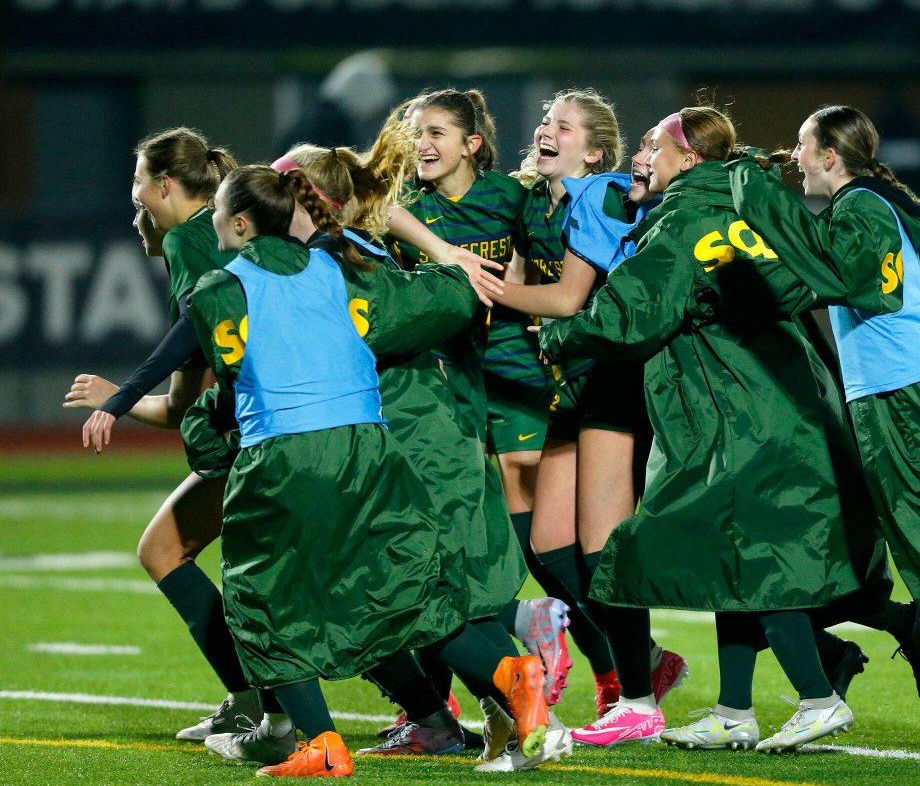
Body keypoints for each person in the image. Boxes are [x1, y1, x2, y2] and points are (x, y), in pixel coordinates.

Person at [538, 105, 898, 753]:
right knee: (735, 559)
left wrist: (561, 335)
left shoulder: (680, 222)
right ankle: (734, 710)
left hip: (740, 419)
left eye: (652, 145)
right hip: (780, 407)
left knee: (691, 558)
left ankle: (817, 698)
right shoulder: (741, 206)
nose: (640, 157)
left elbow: (633, 317)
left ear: (689, 159)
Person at [182, 163, 554, 777]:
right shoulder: (343, 268)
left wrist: (207, 438)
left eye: (218, 211)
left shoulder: (219, 287)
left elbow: (237, 376)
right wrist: (454, 265)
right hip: (370, 450)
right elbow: (439, 301)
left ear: (242, 224)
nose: (211, 221)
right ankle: (511, 674)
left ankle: (322, 743)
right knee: (403, 594)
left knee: (262, 600)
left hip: (285, 453)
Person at [730, 103, 920, 762]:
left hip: (905, 392)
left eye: (804, 148)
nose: (797, 159)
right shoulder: (864, 206)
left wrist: (757, 200)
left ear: (829, 156)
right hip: (912, 386)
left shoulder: (858, 209)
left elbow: (837, 278)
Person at [64, 127, 264, 742]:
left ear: (166, 185)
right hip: (301, 419)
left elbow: (187, 400)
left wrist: (117, 399)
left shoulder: (189, 240)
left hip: (257, 432)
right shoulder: (221, 230)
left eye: (138, 186)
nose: (134, 204)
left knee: (166, 553)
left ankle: (260, 706)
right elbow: (190, 397)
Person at [497, 125, 689, 744]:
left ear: (595, 151)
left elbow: (572, 297)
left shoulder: (602, 193)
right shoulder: (537, 201)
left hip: (612, 374)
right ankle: (645, 663)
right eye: (545, 120)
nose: (546, 129)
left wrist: (488, 288)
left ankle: (637, 690)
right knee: (550, 549)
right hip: (573, 381)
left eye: (565, 125)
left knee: (602, 549)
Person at [389, 89, 574, 706]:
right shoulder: (406, 204)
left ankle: (618, 672)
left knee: (519, 535)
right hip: (446, 385)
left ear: (472, 144)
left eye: (437, 132)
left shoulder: (508, 196)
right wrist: (445, 254)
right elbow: (364, 205)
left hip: (513, 370)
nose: (423, 144)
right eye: (416, 132)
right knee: (450, 537)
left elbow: (554, 251)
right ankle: (454, 696)